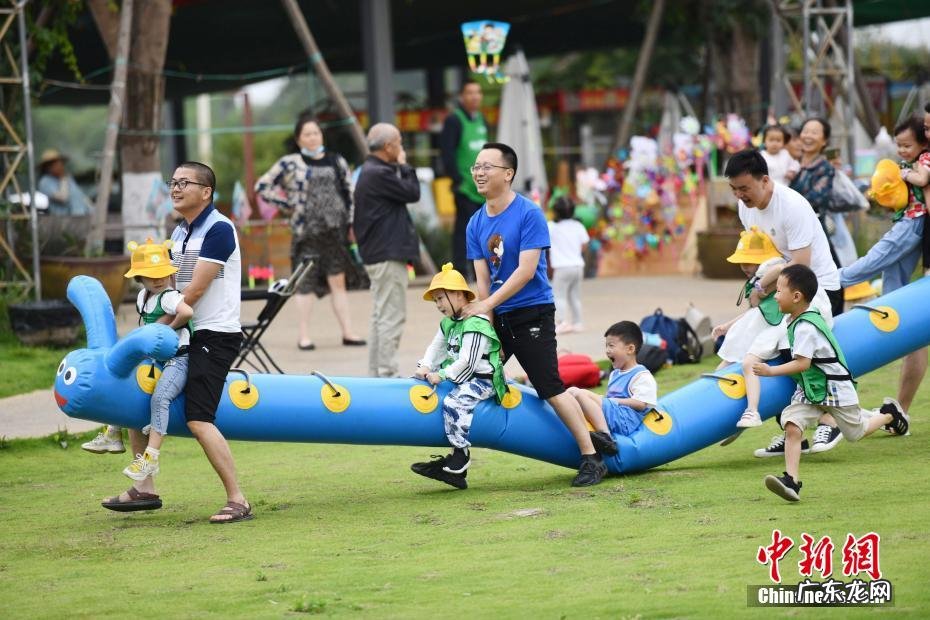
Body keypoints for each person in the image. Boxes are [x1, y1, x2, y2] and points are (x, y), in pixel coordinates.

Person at [104, 161, 251, 523]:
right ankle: (144, 488)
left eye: (185, 183)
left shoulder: (219, 229)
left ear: (206, 192)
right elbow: (163, 287)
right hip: (181, 331)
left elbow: (193, 292)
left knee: (198, 418)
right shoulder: (180, 232)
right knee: (138, 396)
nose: (175, 188)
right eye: (173, 182)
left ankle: (238, 500)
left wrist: (158, 330)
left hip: (212, 334)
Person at [462, 142, 607, 487]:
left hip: (532, 313)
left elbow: (526, 271)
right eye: (476, 167)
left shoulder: (529, 214)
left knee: (549, 387)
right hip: (498, 316)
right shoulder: (475, 223)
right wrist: (488, 323)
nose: (479, 172)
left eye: (487, 167)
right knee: (470, 378)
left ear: (508, 174)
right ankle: (456, 461)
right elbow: (483, 281)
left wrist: (487, 304)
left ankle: (592, 457)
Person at [752, 264, 909, 502]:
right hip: (811, 388)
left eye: (779, 290)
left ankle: (889, 414)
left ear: (796, 297)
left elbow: (802, 363)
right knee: (793, 425)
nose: (775, 295)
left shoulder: (806, 327)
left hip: (835, 388)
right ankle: (791, 481)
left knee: (856, 433)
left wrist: (770, 371)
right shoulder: (795, 319)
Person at [724, 149, 844, 456]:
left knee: (798, 353)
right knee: (762, 348)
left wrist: (763, 285)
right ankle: (792, 431)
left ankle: (831, 421)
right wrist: (759, 288)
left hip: (818, 288)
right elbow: (762, 255)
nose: (740, 195)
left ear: (765, 180)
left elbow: (802, 264)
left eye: (744, 188)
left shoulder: (792, 206)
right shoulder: (746, 209)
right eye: (734, 189)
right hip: (781, 289)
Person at [839, 114, 930, 423]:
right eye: (898, 145)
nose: (902, 150)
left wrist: (905, 174)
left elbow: (920, 182)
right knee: (893, 285)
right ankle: (900, 409)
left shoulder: (923, 162)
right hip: (908, 222)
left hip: (912, 224)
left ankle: (834, 280)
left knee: (876, 259)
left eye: (907, 145)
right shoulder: (911, 161)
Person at [255, 113, 365, 351]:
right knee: (304, 283)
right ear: (298, 139)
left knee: (338, 282)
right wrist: (288, 204)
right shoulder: (289, 163)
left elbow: (349, 193)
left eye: (316, 133)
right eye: (307, 134)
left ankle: (348, 332)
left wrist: (351, 223)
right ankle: (304, 335)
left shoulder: (336, 160)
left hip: (335, 231)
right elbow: (261, 186)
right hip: (307, 232)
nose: (313, 137)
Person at [409, 263, 507, 490]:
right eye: (435, 300)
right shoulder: (449, 323)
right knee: (443, 393)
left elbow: (468, 362)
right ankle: (455, 468)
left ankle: (460, 456)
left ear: (458, 295)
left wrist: (442, 374)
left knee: (454, 402)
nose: (438, 305)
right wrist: (424, 366)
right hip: (462, 377)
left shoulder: (476, 323)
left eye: (440, 298)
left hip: (482, 380)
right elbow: (436, 347)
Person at [120, 238, 193, 482]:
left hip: (179, 359)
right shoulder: (143, 297)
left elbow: (187, 311)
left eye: (163, 273)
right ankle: (112, 430)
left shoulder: (169, 296)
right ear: (140, 277)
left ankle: (150, 458)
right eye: (152, 276)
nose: (159, 280)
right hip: (158, 360)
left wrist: (168, 330)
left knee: (160, 398)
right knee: (128, 384)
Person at [354, 123, 421, 378]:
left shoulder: (370, 170)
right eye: (399, 143)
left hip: (378, 252)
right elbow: (413, 192)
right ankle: (387, 373)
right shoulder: (379, 173)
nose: (401, 148)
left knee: (381, 315)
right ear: (388, 146)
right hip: (386, 253)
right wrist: (405, 165)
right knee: (391, 315)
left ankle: (377, 374)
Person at [712, 227, 789, 431]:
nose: (744, 267)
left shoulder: (768, 274)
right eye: (742, 262)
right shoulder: (756, 280)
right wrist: (727, 325)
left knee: (748, 363)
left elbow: (781, 267)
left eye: (749, 261)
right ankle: (714, 407)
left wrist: (760, 286)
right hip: (755, 327)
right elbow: (754, 312)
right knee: (724, 365)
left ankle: (752, 410)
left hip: (769, 330)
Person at [567, 321, 657, 457]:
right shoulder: (615, 374)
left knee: (580, 394)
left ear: (630, 349)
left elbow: (641, 403)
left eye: (611, 345)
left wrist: (613, 401)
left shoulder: (641, 375)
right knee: (571, 391)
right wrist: (606, 400)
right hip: (613, 414)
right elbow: (608, 402)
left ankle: (606, 438)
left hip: (625, 421)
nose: (607, 350)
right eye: (606, 346)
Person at [788, 117, 845, 317]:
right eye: (805, 131)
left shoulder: (825, 168)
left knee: (827, 274)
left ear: (824, 141)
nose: (808, 136)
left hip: (815, 229)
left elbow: (817, 198)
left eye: (814, 132)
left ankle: (832, 318)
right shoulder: (791, 165)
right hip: (789, 231)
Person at [439, 79, 487, 280]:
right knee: (465, 229)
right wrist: (457, 179)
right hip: (465, 186)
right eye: (470, 92)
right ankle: (461, 270)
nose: (474, 96)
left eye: (478, 92)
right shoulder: (454, 120)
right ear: (462, 97)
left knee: (484, 230)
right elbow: (447, 152)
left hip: (483, 187)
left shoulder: (482, 120)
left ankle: (481, 271)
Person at [547, 196, 589, 334]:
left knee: (559, 295)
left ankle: (562, 322)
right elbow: (584, 244)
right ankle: (578, 323)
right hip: (578, 266)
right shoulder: (578, 225)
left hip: (562, 267)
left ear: (555, 211)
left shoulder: (551, 226)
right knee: (575, 296)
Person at [36, 149, 93, 216]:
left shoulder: (68, 178)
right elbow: (63, 198)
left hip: (83, 215)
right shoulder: (45, 182)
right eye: (55, 164)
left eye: (60, 163)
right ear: (47, 167)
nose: (60, 166)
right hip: (64, 217)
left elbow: (80, 195)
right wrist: (62, 179)